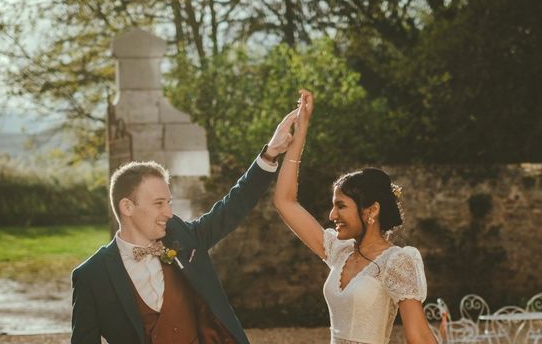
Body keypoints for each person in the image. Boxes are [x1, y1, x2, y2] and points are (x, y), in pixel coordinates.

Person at [71, 107, 298, 344]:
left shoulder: (183, 237)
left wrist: (270, 154)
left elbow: (233, 206)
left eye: (169, 202)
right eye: (159, 203)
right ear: (127, 207)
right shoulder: (91, 275)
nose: (169, 212)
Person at [273, 90, 436, 344]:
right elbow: (284, 202)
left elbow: (420, 337)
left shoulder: (397, 262)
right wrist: (300, 134)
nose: (331, 215)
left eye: (341, 206)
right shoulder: (340, 251)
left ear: (371, 210)